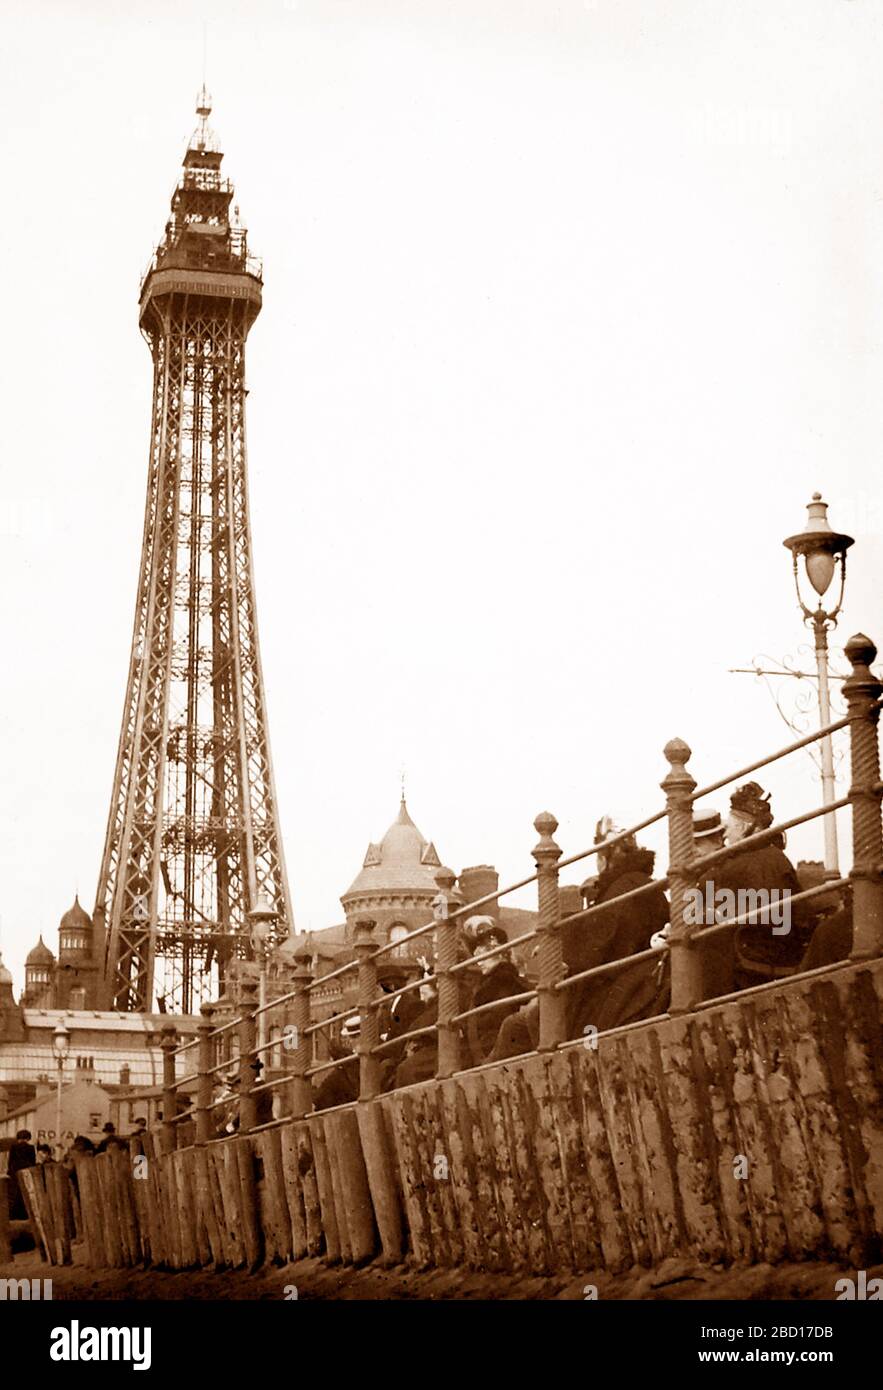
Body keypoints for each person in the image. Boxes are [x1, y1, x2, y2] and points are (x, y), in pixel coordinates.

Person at [561, 817, 669, 1038]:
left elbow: (600, 948)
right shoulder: (646, 884)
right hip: (646, 975)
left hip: (621, 983)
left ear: (605, 856)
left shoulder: (619, 890)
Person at [712, 782, 813, 992]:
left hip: (757, 953)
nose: (726, 834)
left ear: (745, 828)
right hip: (780, 947)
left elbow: (766, 917)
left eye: (730, 827)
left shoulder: (746, 863)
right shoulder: (773, 856)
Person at [464, 923, 529, 1067]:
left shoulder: (506, 984)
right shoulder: (488, 985)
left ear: (499, 954)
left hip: (495, 1058)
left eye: (484, 956)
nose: (478, 962)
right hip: (486, 1056)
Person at [8, 1129, 36, 1220]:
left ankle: (13, 1215)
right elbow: (33, 1163)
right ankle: (24, 1215)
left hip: (15, 1173)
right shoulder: (31, 1148)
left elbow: (10, 1162)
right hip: (26, 1173)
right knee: (24, 1194)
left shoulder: (14, 1147)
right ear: (28, 1138)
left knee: (13, 1195)